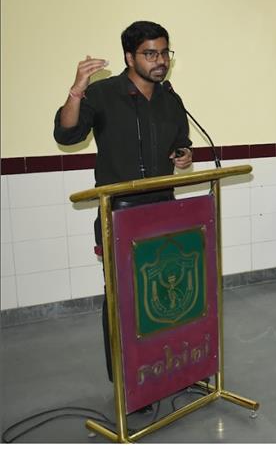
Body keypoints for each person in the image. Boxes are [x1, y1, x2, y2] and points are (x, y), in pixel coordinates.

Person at [53, 21, 193, 387]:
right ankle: (127, 384)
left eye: (164, 52)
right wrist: (77, 90)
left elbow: (181, 143)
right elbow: (67, 134)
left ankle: (169, 367)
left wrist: (183, 155)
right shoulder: (102, 94)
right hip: (119, 214)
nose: (160, 61)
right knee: (123, 301)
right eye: (150, 54)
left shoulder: (170, 99)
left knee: (167, 295)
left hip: (163, 211)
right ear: (129, 57)